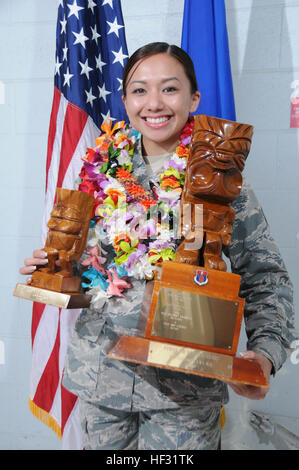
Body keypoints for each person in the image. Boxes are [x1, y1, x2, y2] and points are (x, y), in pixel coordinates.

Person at [20, 42, 297, 450]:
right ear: (124, 99)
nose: (154, 103)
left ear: (193, 98)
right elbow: (95, 274)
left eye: (169, 89)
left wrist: (265, 354)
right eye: (139, 90)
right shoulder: (99, 172)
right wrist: (56, 271)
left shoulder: (219, 182)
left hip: (184, 392)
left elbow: (266, 277)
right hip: (102, 379)